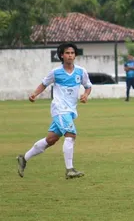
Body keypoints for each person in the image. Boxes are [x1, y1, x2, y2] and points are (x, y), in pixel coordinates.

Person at [17, 43, 92, 179]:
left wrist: (86, 95)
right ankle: (70, 170)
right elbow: (44, 84)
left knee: (51, 139)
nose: (70, 55)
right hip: (59, 108)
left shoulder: (81, 71)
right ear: (62, 55)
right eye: (67, 53)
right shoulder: (56, 72)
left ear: (75, 55)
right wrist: (34, 94)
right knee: (71, 134)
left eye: (72, 53)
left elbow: (88, 86)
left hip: (70, 110)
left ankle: (24, 158)